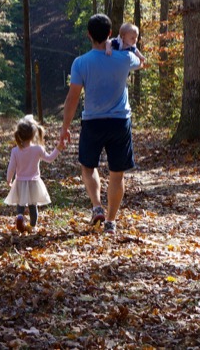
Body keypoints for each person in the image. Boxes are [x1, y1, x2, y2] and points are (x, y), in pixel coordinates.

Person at [58, 14, 143, 235]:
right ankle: (111, 222)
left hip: (92, 123)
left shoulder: (80, 63)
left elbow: (72, 98)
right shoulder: (124, 59)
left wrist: (65, 128)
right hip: (120, 123)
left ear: (88, 35)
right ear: (109, 34)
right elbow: (141, 62)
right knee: (117, 173)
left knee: (88, 166)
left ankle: (97, 206)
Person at [4, 115, 64, 232]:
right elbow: (50, 158)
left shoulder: (15, 151)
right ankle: (32, 226)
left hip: (20, 181)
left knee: (20, 204)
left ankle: (20, 216)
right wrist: (58, 148)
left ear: (19, 135)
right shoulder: (38, 149)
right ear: (33, 134)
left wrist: (8, 179)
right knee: (33, 206)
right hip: (34, 182)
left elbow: (11, 167)